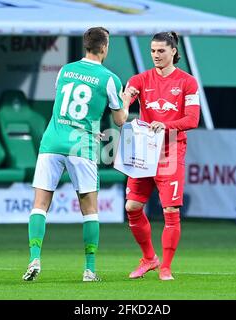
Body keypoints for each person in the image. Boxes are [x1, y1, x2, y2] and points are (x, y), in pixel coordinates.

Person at [22, 27, 137, 282]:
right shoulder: (109, 78)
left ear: (86, 46)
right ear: (105, 47)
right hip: (80, 146)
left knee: (40, 205)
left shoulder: (65, 71)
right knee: (89, 209)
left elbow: (64, 108)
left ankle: (34, 258)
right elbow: (120, 120)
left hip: (52, 141)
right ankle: (89, 269)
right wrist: (126, 98)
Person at [124, 31, 201, 280]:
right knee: (132, 206)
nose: (156, 55)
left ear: (174, 52)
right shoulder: (141, 78)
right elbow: (129, 95)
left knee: (170, 210)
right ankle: (149, 258)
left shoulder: (188, 82)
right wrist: (124, 104)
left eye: (161, 51)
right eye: (153, 51)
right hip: (144, 151)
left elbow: (192, 119)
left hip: (170, 151)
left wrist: (166, 126)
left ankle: (166, 266)